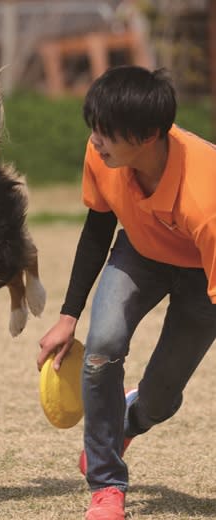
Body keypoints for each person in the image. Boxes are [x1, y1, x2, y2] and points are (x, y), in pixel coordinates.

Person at [38, 65, 216, 520]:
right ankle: (106, 484)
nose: (96, 141)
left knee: (161, 400)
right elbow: (98, 227)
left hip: (202, 271)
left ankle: (130, 418)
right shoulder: (103, 155)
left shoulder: (207, 196)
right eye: (93, 128)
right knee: (102, 348)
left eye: (106, 132)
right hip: (139, 251)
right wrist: (68, 315)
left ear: (149, 134)